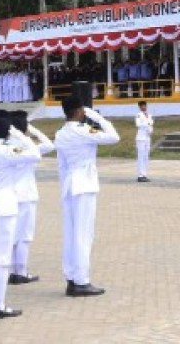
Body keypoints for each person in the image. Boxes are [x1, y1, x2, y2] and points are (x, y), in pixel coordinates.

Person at [0, 110, 40, 319]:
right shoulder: (7, 150)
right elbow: (35, 153)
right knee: (2, 258)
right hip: (4, 207)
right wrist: (18, 133)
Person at [54, 96, 120, 297]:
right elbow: (114, 137)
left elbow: (61, 165)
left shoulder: (60, 133)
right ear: (79, 111)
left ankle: (71, 278)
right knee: (83, 235)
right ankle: (81, 281)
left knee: (71, 234)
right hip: (84, 185)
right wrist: (96, 117)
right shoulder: (82, 131)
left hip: (69, 186)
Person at [8, 110, 54, 285]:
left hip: (10, 194)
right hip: (26, 195)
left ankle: (12, 270)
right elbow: (49, 145)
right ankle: (20, 271)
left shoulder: (5, 146)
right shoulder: (30, 147)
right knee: (24, 235)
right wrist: (32, 130)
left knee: (13, 234)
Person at [134, 100, 154, 183]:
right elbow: (138, 124)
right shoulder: (139, 115)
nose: (144, 107)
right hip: (141, 138)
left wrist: (150, 129)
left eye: (145, 105)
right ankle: (140, 175)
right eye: (142, 106)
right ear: (140, 107)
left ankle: (144, 174)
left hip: (147, 137)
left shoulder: (149, 115)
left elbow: (151, 124)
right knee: (141, 156)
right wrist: (147, 123)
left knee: (146, 156)